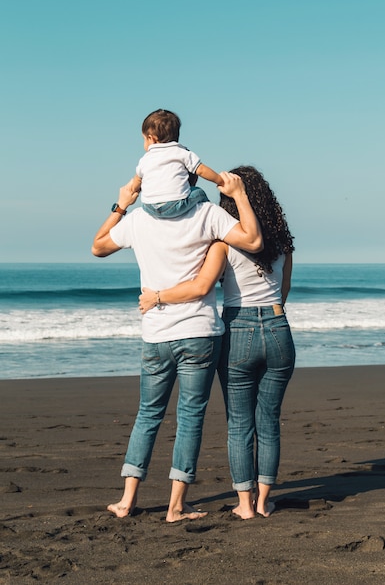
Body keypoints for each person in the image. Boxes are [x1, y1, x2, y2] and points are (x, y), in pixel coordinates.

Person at [91, 171, 263, 522]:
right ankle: (175, 506)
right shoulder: (209, 215)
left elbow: (98, 246)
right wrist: (239, 193)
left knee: (148, 415)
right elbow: (253, 240)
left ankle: (126, 501)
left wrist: (122, 204)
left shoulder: (138, 219)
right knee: (190, 418)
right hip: (199, 332)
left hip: (156, 334)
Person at [139, 166, 296, 519]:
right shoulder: (284, 242)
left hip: (238, 328)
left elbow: (201, 287)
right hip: (277, 327)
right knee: (269, 419)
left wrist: (158, 296)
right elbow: (283, 294)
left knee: (240, 422)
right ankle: (264, 502)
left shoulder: (223, 242)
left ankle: (244, 505)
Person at [129, 108, 224, 218]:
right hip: (174, 205)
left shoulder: (145, 159)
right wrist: (220, 180)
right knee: (199, 193)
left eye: (144, 139)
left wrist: (133, 189)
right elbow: (201, 170)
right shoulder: (182, 153)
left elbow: (137, 180)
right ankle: (206, 214)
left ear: (152, 139)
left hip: (149, 206)